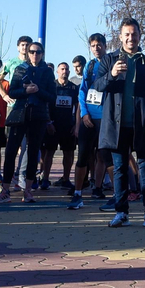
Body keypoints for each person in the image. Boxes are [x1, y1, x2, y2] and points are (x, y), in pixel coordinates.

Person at [96, 19, 145, 228]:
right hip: (117, 126)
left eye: (134, 34)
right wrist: (112, 74)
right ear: (120, 37)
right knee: (120, 168)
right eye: (127, 34)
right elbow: (97, 85)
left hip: (141, 125)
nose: (130, 38)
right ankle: (121, 212)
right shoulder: (109, 59)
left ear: (139, 36)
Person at [0, 41, 58, 203]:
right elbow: (12, 92)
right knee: (10, 152)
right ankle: (5, 190)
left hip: (38, 116)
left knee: (33, 153)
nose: (35, 55)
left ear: (42, 54)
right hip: (19, 114)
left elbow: (52, 96)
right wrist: (25, 91)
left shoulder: (48, 72)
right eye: (32, 52)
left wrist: (38, 90)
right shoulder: (20, 69)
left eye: (38, 52)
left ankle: (28, 191)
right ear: (28, 53)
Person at [70, 34, 109, 209]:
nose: (96, 48)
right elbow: (82, 91)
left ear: (105, 46)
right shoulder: (90, 65)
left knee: (104, 156)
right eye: (93, 45)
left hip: (105, 118)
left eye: (99, 45)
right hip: (89, 118)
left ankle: (99, 188)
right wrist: (84, 114)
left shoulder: (110, 63)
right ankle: (77, 193)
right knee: (83, 156)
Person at [43, 59, 80, 190]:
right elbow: (46, 105)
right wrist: (48, 122)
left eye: (66, 69)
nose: (65, 71)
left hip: (68, 126)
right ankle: (45, 179)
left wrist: (76, 125)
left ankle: (66, 179)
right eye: (62, 69)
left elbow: (78, 107)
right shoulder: (51, 86)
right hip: (53, 125)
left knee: (69, 153)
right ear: (57, 72)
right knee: (49, 152)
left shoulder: (74, 88)